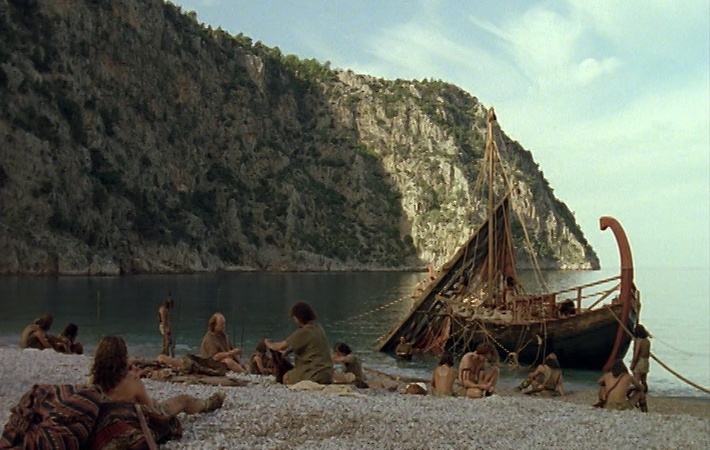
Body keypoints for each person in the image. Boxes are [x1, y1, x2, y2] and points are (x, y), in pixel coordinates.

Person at [91, 336, 225, 417]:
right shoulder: (132, 382)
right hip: (141, 421)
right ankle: (208, 404)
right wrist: (153, 403)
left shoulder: (95, 381)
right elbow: (153, 412)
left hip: (115, 420)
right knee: (185, 399)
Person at [265, 302, 333, 385]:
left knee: (286, 377)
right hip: (327, 373)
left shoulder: (304, 332)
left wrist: (267, 342)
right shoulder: (318, 328)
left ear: (297, 318)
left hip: (315, 373)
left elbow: (278, 347)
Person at [629, 324, 651, 393]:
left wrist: (632, 364)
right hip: (646, 361)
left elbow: (636, 354)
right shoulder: (647, 341)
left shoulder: (639, 341)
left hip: (640, 361)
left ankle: (637, 395)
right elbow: (648, 353)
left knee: (636, 381)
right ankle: (644, 394)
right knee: (644, 381)